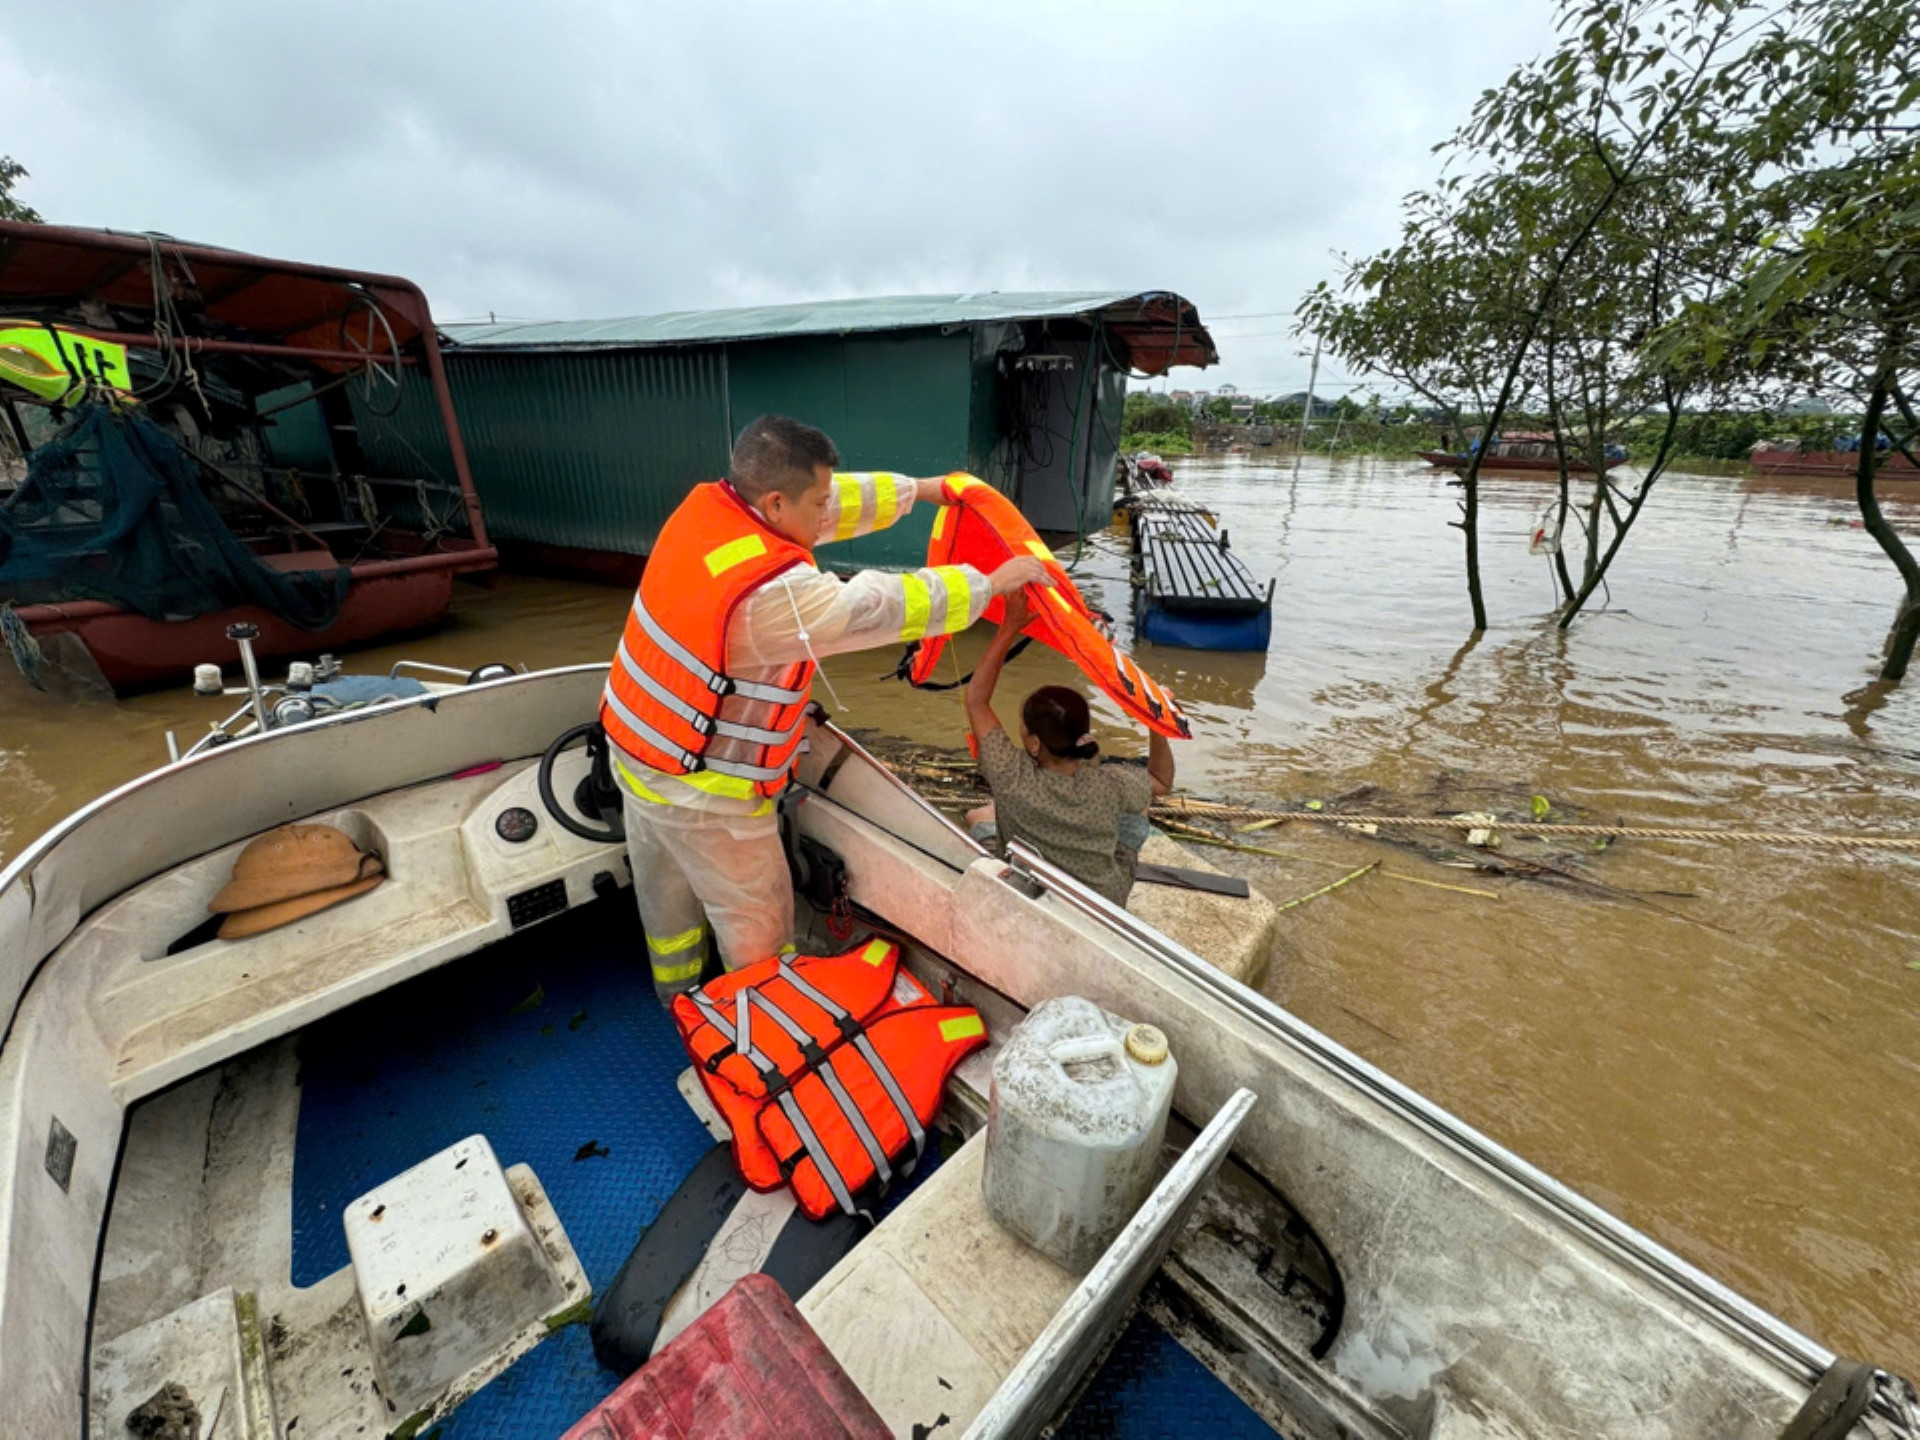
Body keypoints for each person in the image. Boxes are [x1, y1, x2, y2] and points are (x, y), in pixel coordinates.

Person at [603, 415, 1052, 1002]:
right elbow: (877, 607)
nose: (828, 512)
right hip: (708, 798)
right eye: (818, 502)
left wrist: (922, 490)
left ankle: (678, 1000)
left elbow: (832, 501)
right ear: (773, 503)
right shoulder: (769, 597)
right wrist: (991, 584)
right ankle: (762, 1031)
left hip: (639, 757)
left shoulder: (709, 516)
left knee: (667, 908)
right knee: (757, 922)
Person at [961, 592, 1174, 904]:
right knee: (1140, 803)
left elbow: (976, 700)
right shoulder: (1110, 785)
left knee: (979, 816)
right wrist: (1156, 722)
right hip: (1101, 900)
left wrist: (1010, 628)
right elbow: (1161, 781)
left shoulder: (1011, 776)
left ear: (1034, 743)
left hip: (1032, 889)